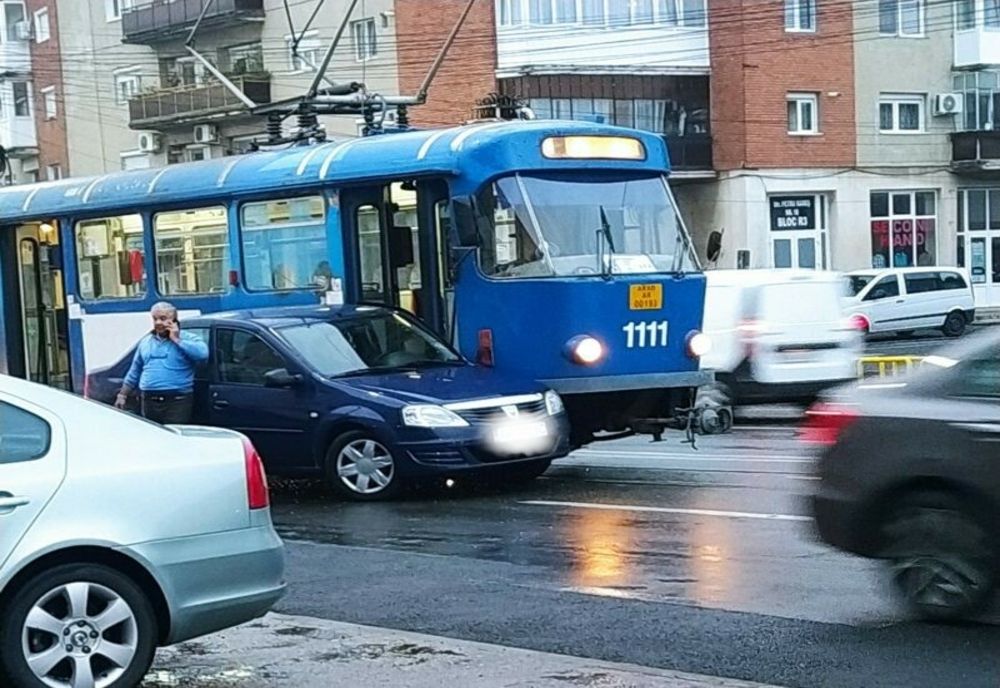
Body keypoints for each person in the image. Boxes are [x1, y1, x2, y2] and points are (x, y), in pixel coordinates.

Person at [115, 302, 209, 424]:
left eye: (163, 319)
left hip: (177, 400)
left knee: (173, 436)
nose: (158, 322)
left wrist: (176, 339)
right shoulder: (146, 342)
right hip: (149, 399)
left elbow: (202, 354)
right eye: (155, 319)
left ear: (174, 320)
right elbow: (135, 371)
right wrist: (122, 395)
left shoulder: (188, 338)